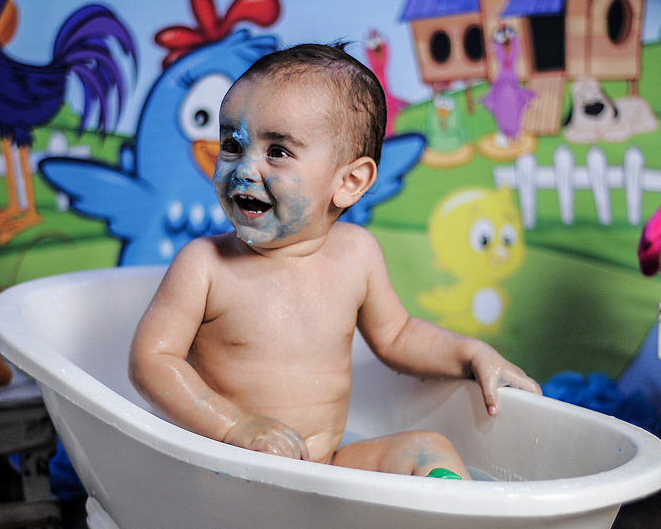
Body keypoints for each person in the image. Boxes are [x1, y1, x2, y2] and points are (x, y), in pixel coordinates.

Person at [128, 43, 539, 479]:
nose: (244, 170)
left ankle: (455, 522)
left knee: (428, 450)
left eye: (277, 151)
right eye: (232, 144)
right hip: (235, 472)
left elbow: (398, 336)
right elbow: (151, 360)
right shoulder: (206, 266)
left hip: (325, 467)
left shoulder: (356, 254)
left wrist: (470, 353)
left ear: (349, 182)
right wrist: (234, 426)